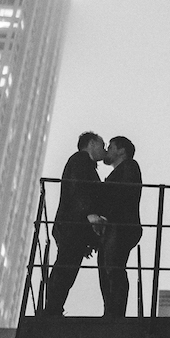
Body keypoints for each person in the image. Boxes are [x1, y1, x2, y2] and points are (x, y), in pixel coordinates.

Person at [41, 132, 105, 316]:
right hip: (73, 225)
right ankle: (52, 308)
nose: (104, 149)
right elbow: (80, 188)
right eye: (102, 144)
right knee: (65, 268)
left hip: (73, 226)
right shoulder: (80, 159)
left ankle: (53, 308)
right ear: (91, 143)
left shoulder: (81, 161)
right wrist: (90, 214)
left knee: (67, 268)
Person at [93, 135, 143, 318]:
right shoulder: (123, 169)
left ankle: (115, 314)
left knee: (113, 267)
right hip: (115, 225)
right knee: (107, 269)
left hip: (121, 225)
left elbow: (123, 193)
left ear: (121, 150)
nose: (107, 150)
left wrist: (105, 215)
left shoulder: (130, 166)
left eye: (111, 146)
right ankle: (111, 311)